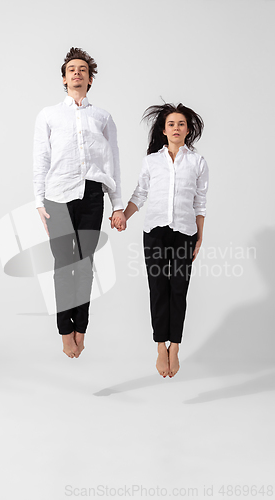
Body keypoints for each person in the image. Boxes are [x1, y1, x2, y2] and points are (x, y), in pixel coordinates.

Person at [33, 47, 126, 359]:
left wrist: (117, 205)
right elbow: (41, 159)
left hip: (91, 195)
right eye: (71, 69)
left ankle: (81, 327)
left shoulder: (102, 117)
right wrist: (38, 201)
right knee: (63, 265)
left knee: (86, 265)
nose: (77, 73)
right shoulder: (48, 115)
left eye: (82, 70)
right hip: (56, 196)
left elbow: (113, 162)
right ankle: (64, 331)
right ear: (63, 78)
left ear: (89, 79)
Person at [113, 102, 209, 378]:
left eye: (181, 124)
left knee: (179, 288)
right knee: (157, 287)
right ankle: (160, 346)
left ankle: (175, 346)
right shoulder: (151, 161)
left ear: (188, 129)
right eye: (171, 124)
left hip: (185, 233)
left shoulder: (198, 162)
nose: (176, 128)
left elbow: (200, 203)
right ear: (163, 130)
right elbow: (141, 193)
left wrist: (200, 237)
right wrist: (125, 216)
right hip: (154, 231)